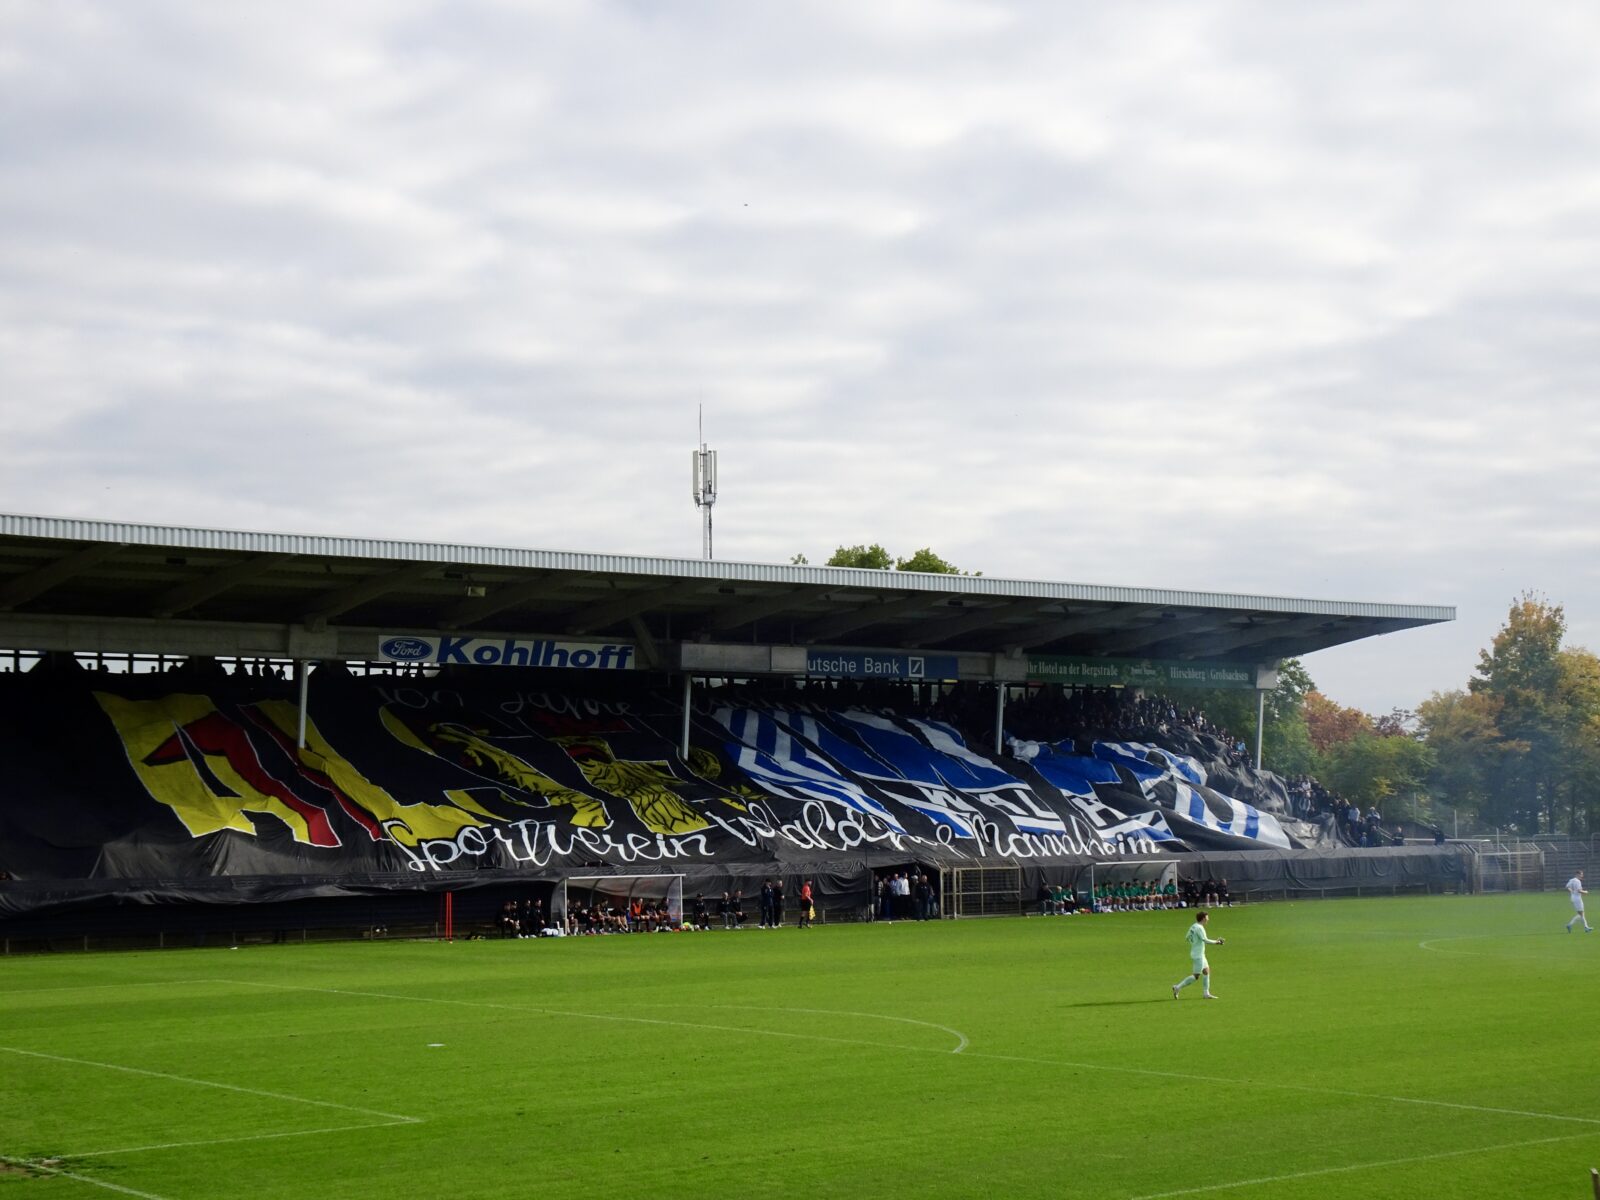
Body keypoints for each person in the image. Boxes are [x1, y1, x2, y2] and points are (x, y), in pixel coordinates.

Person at [1172, 911, 1225, 1000]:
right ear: (1203, 918)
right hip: (1198, 955)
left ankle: (1206, 993)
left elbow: (1187, 937)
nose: (1208, 919)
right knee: (1196, 976)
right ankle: (1177, 987)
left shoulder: (1193, 926)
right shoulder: (1200, 928)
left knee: (1206, 971)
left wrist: (1194, 943)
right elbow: (1205, 940)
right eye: (1207, 917)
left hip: (1198, 953)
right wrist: (1217, 942)